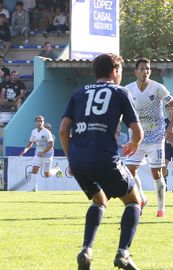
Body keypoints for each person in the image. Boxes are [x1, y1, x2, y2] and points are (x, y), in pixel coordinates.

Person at [59, 53, 144, 270]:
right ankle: (123, 253)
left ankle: (87, 249)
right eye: (121, 72)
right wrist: (134, 143)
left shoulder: (78, 93)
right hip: (104, 157)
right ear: (115, 71)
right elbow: (137, 131)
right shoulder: (120, 92)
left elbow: (62, 130)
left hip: (78, 159)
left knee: (99, 200)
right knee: (135, 201)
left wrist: (71, 158)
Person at [124, 57, 173, 218]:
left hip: (156, 136)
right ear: (135, 72)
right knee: (129, 171)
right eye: (142, 69)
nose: (145, 71)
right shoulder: (127, 90)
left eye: (147, 69)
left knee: (156, 173)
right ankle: (142, 199)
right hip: (136, 137)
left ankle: (161, 209)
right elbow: (122, 110)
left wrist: (171, 126)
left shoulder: (158, 88)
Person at [19, 115, 63, 192]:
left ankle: (56, 169)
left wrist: (43, 152)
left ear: (43, 122)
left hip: (48, 155)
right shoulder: (33, 132)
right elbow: (30, 142)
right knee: (34, 170)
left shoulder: (47, 132)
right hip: (38, 154)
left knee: (47, 175)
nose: (40, 122)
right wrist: (25, 150)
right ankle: (34, 189)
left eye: (41, 121)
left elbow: (51, 144)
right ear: (35, 122)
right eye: (38, 121)